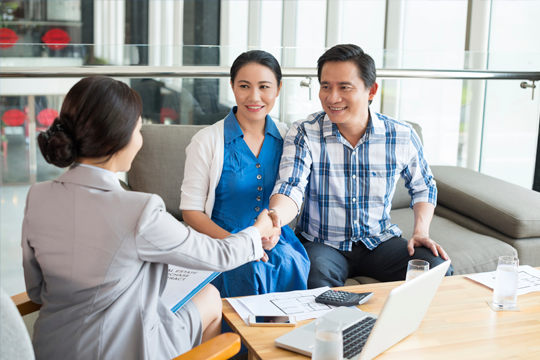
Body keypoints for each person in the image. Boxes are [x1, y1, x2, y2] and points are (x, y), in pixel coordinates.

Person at [22, 76, 278, 360]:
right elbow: (220, 255)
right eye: (138, 130)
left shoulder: (38, 196)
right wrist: (259, 229)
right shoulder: (139, 209)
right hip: (123, 350)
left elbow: (36, 291)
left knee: (201, 297)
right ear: (120, 138)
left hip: (50, 348)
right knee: (210, 299)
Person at [267, 44, 454, 288]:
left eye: (344, 87)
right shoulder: (305, 132)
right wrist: (274, 219)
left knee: (438, 268)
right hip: (323, 244)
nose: (332, 98)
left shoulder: (401, 135)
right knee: (313, 277)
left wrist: (421, 231)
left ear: (371, 90)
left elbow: (424, 186)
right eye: (326, 86)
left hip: (379, 242)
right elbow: (291, 185)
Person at [181, 50, 310, 297]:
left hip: (277, 239)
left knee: (287, 262)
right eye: (244, 86)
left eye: (264, 86)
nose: (254, 96)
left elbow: (294, 193)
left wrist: (273, 232)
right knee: (248, 270)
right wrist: (239, 244)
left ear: (278, 88)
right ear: (232, 86)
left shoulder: (289, 138)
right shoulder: (206, 141)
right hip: (223, 241)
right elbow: (191, 211)